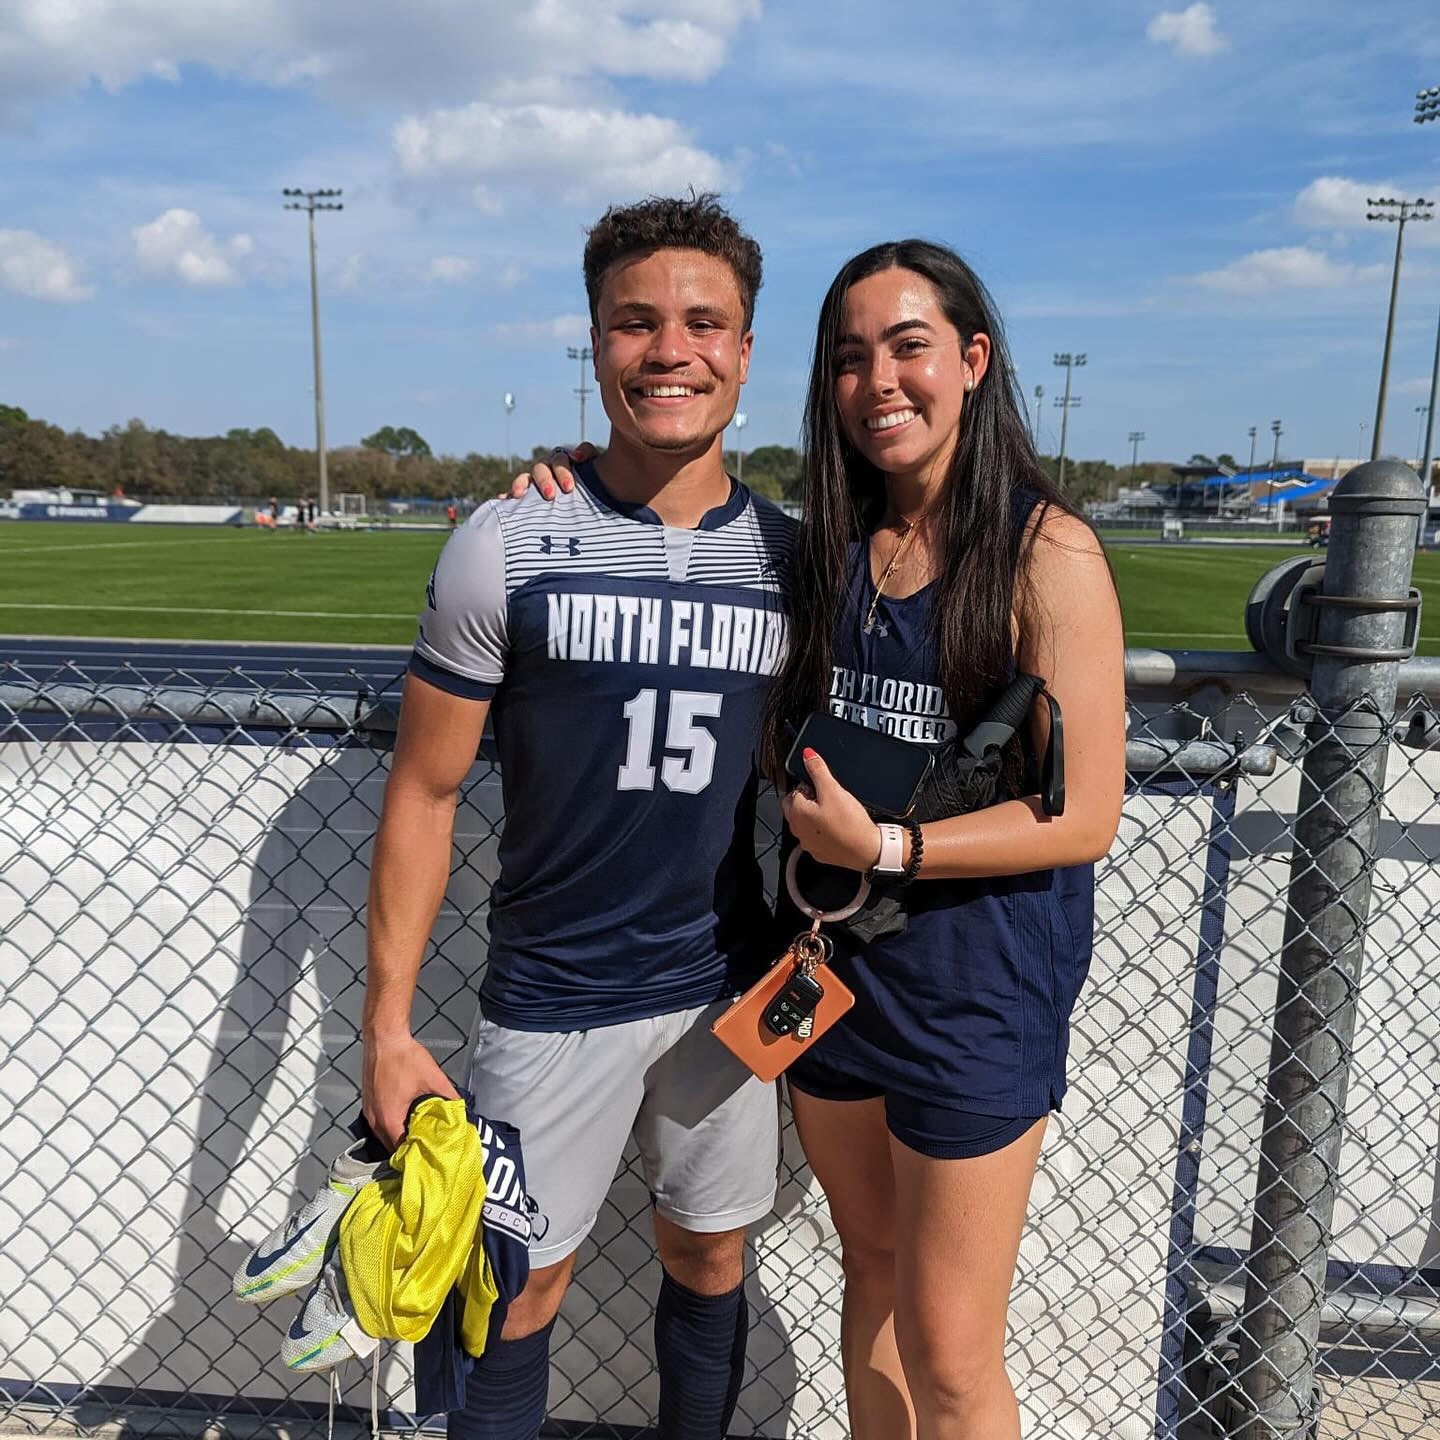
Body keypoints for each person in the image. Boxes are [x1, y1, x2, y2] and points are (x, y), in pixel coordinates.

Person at [519, 239, 1125, 1440]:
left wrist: (888, 849)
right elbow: (680, 493)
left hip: (976, 986)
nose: (879, 382)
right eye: (850, 358)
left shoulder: (1044, 550)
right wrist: (576, 474)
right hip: (837, 976)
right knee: (872, 1272)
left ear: (974, 357)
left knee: (953, 1354)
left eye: (908, 347)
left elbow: (1084, 813)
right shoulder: (828, 547)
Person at [362, 193, 793, 1440]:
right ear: (594, 343)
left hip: (727, 983)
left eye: (705, 324)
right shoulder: (511, 538)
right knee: (513, 1287)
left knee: (711, 1258)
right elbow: (425, 790)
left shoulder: (796, 556)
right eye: (635, 324)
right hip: (551, 992)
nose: (672, 352)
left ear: (746, 349)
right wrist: (387, 1028)